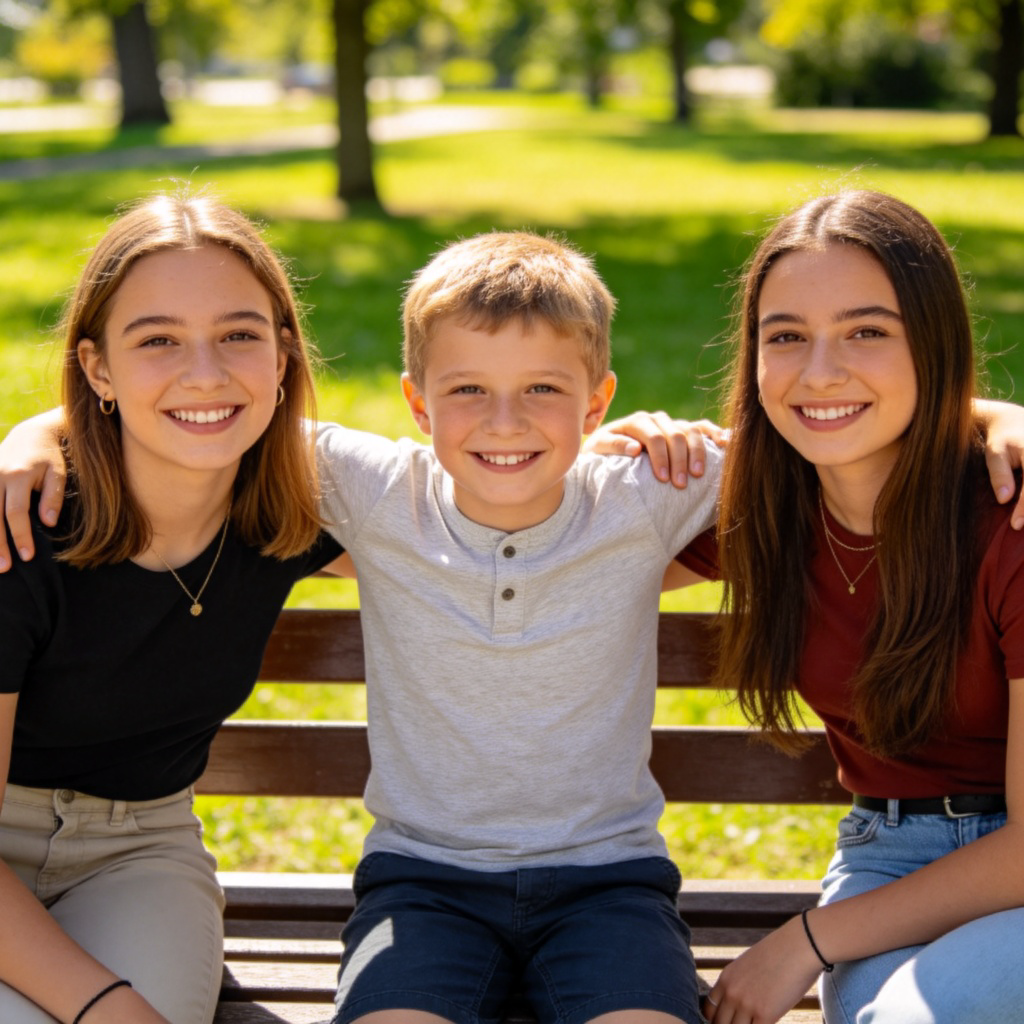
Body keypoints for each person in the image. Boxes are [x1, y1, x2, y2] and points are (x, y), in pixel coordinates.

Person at [1, 229, 723, 1024]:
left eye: (544, 391)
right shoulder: (362, 492)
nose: (505, 421)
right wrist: (33, 436)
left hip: (603, 880)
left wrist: (662, 440)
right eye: (469, 390)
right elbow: (160, 411)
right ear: (417, 401)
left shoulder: (639, 494)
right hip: (423, 882)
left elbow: (800, 458)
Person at [593, 190, 1024, 1024]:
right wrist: (597, 459)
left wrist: (801, 941)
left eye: (867, 331)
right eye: (786, 336)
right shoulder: (765, 509)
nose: (819, 372)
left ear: (933, 346)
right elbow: (535, 550)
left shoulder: (1012, 518)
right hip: (886, 860)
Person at [0, 192, 349, 1024]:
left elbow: (505, 513)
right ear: (96, 367)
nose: (206, 371)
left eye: (239, 335)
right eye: (157, 340)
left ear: (282, 357)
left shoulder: (293, 514)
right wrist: (105, 1007)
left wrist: (648, 449)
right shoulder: (21, 533)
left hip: (138, 851)